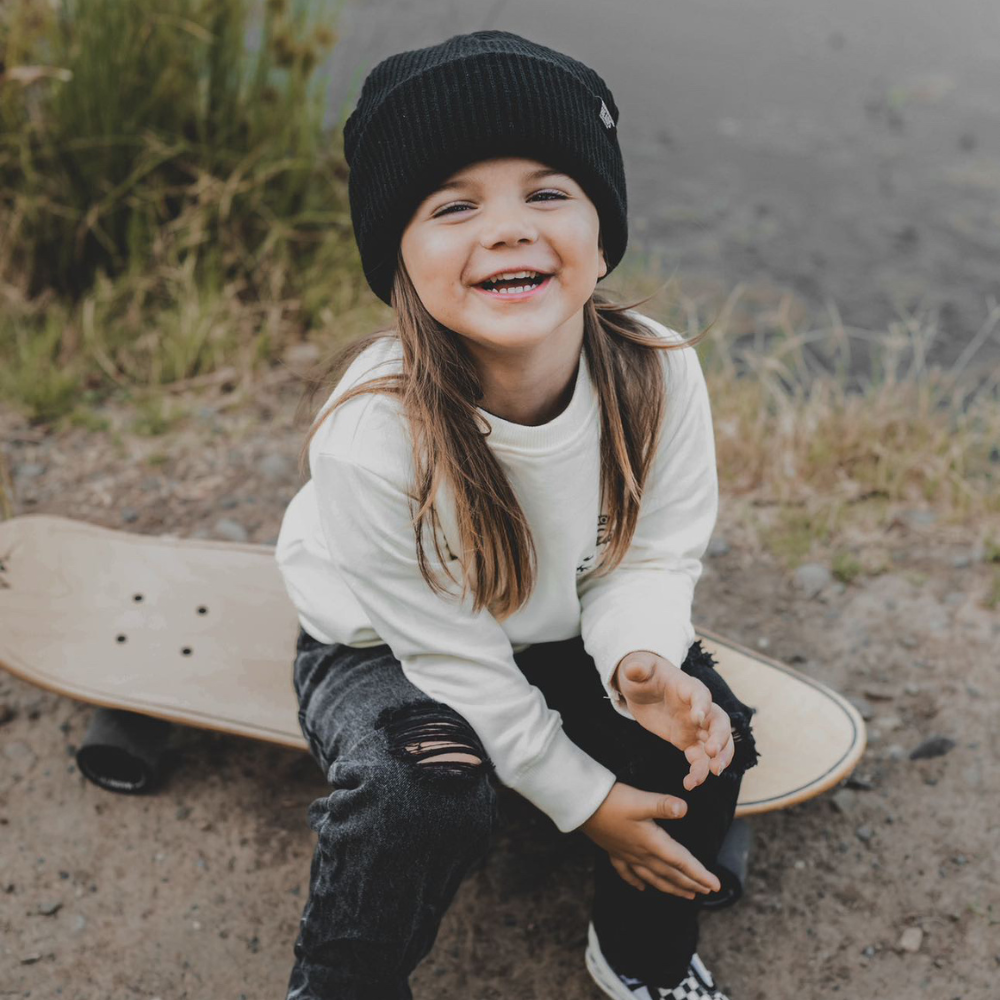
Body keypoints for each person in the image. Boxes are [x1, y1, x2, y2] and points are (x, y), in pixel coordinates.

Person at [274, 29, 760, 1000]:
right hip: (387, 643)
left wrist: (640, 664)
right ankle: (342, 982)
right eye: (454, 206)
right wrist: (587, 805)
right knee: (430, 786)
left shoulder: (657, 373)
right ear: (397, 253)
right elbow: (449, 659)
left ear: (600, 223)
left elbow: (652, 554)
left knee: (712, 738)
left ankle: (640, 955)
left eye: (548, 192)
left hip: (556, 619)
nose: (506, 229)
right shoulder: (371, 437)